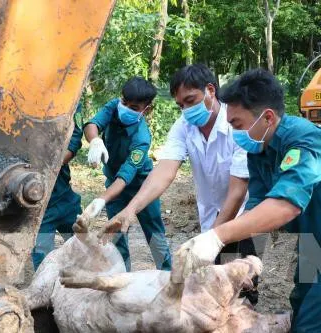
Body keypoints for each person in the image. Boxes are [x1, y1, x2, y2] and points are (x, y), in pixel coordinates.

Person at [171, 69, 321, 332]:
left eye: (237, 124)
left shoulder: (306, 140)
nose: (234, 132)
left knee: (313, 325)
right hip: (314, 242)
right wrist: (237, 257)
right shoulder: (259, 148)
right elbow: (259, 204)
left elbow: (285, 206)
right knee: (301, 306)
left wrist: (216, 236)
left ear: (268, 117)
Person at [100, 65, 253, 288]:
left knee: (243, 288)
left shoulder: (237, 123)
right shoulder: (184, 126)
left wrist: (212, 239)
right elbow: (164, 171)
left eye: (191, 100)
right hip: (210, 216)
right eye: (181, 105)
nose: (187, 110)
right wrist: (130, 210)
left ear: (210, 90)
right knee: (215, 288)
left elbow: (238, 191)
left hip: (244, 216)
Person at [82, 77, 172, 271]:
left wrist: (101, 200)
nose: (125, 108)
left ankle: (169, 279)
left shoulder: (142, 138)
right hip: (114, 186)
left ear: (146, 110)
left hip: (142, 188)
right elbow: (92, 124)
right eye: (124, 102)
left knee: (155, 235)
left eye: (133, 106)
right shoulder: (114, 107)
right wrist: (95, 141)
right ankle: (121, 280)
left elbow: (125, 176)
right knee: (116, 236)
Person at [32, 103, 84, 271]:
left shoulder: (68, 95)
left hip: (63, 194)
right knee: (43, 260)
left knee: (83, 247)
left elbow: (75, 135)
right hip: (38, 205)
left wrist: (53, 164)